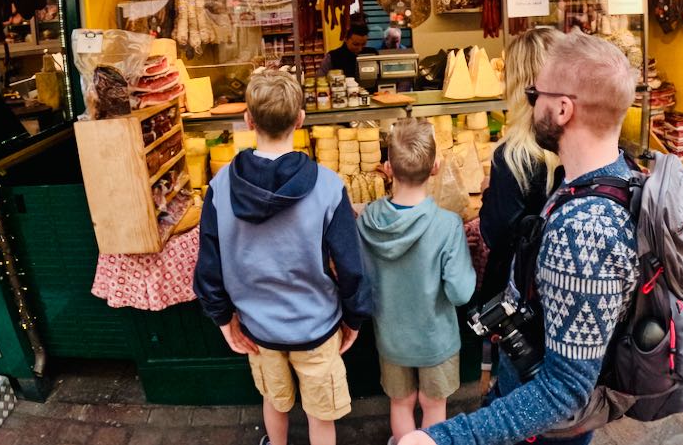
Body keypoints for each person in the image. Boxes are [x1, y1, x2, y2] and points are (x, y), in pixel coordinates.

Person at [399, 32, 641, 445]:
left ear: (563, 109)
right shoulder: (606, 177)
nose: (530, 103)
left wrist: (444, 439)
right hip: (524, 371)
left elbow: (563, 390)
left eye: (534, 92)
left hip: (545, 423)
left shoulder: (584, 233)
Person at [194, 70, 372, 445]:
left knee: (274, 400)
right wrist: (354, 318)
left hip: (258, 329)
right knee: (320, 414)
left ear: (248, 121)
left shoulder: (219, 187)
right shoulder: (328, 186)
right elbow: (351, 267)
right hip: (316, 326)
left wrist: (225, 321)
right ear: (300, 120)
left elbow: (209, 265)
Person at [358, 118, 476, 444]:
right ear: (435, 166)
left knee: (401, 401)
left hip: (391, 337)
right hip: (436, 341)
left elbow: (363, 278)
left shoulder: (367, 220)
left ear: (386, 168)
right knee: (433, 404)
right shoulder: (448, 225)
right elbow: (461, 291)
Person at [478, 27, 563, 302]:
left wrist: (490, 194)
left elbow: (495, 236)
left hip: (521, 293)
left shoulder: (512, 157)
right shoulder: (582, 144)